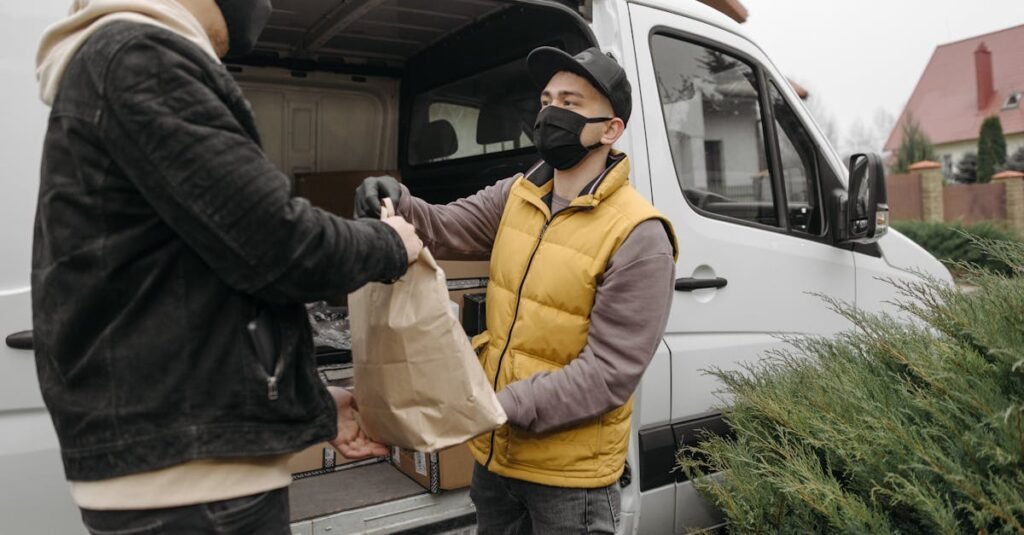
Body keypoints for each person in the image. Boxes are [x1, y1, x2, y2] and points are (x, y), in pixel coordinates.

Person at [33, 0, 420, 533]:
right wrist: (390, 242)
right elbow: (279, 246)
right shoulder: (142, 57)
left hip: (187, 467)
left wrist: (310, 403)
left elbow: (203, 289)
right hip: (193, 484)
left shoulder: (124, 61)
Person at [356, 46, 678, 534]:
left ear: (611, 130)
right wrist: (398, 199)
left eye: (570, 103)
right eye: (547, 100)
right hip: (496, 462)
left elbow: (608, 374)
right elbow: (446, 225)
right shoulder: (518, 193)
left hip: (571, 481)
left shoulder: (639, 235)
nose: (550, 113)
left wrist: (501, 405)